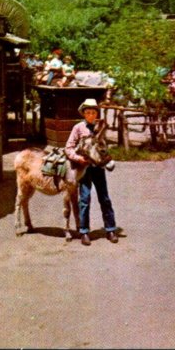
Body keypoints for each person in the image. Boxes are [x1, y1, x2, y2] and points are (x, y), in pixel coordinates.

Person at [66, 98, 118, 245]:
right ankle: (84, 231)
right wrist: (78, 159)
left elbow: (103, 148)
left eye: (93, 112)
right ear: (84, 114)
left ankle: (110, 229)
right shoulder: (78, 128)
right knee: (85, 199)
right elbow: (68, 148)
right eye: (88, 112)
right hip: (84, 169)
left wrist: (106, 159)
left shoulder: (100, 128)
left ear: (96, 113)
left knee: (104, 198)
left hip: (98, 168)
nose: (90, 115)